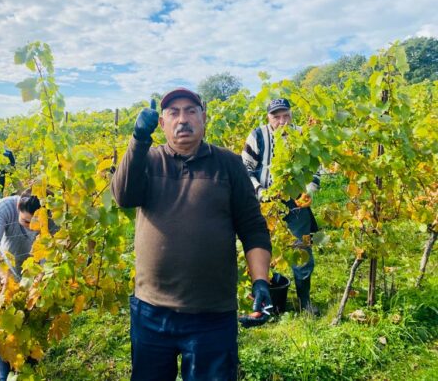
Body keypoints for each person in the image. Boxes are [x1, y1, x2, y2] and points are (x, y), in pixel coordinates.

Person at [111, 87, 273, 381]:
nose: (182, 119)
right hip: (151, 311)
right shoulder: (148, 161)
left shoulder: (229, 164)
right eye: (173, 113)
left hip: (212, 314)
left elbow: (252, 227)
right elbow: (123, 195)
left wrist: (260, 280)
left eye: (190, 111)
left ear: (204, 118)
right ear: (162, 124)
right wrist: (138, 139)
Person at [242, 98, 320, 314]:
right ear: (269, 117)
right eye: (276, 117)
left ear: (291, 115)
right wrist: (259, 191)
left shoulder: (302, 135)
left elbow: (315, 166)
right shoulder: (258, 136)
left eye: (285, 115)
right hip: (265, 202)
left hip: (296, 203)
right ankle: (263, 301)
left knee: (301, 248)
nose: (282, 121)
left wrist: (309, 190)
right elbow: (245, 168)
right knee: (260, 248)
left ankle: (305, 301)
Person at [0, 189, 54, 381]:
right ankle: (6, 377)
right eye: (27, 222)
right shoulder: (4, 207)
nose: (31, 228)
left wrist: (43, 277)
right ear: (17, 208)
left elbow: (58, 248)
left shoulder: (51, 211)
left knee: (33, 333)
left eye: (37, 224)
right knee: (6, 337)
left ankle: (30, 373)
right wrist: (3, 278)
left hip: (37, 278)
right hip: (5, 278)